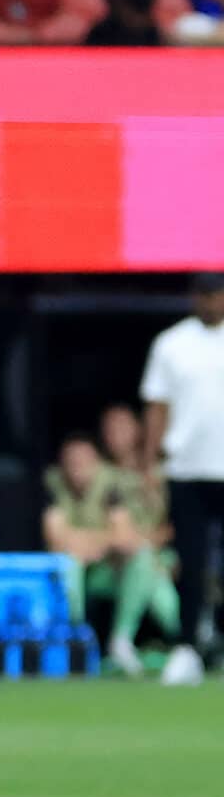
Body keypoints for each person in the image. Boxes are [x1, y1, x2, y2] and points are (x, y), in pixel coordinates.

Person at [140, 272, 224, 686]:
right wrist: (149, 464)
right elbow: (157, 406)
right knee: (190, 565)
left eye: (217, 294)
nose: (210, 302)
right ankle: (188, 647)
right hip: (187, 470)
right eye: (204, 295)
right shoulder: (171, 344)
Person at [43, 430, 175, 679]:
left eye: (83, 461)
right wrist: (96, 542)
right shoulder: (54, 484)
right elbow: (56, 539)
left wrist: (89, 543)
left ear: (96, 461)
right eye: (72, 462)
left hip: (112, 570)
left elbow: (124, 538)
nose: (77, 468)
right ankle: (75, 642)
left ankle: (130, 641)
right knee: (69, 564)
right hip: (85, 573)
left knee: (147, 565)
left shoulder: (112, 484)